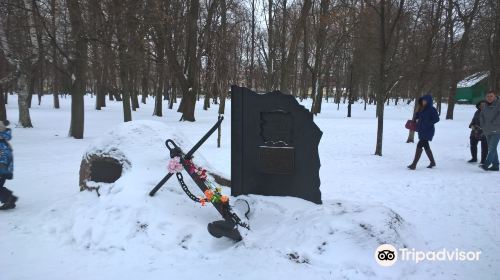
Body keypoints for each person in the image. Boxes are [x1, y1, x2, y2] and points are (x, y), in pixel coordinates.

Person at [408, 94, 440, 170]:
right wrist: (416, 116)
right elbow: (418, 117)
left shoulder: (432, 109)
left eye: (425, 101)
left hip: (428, 130)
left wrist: (428, 123)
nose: (423, 102)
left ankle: (414, 164)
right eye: (422, 101)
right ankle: (432, 162)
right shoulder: (422, 109)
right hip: (421, 130)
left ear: (429, 101)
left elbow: (437, 119)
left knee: (419, 145)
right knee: (426, 146)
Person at [480, 90, 500, 171]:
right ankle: (495, 166)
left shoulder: (498, 104)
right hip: (487, 130)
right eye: (488, 96)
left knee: (492, 148)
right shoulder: (484, 105)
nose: (489, 98)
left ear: (495, 96)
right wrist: (483, 124)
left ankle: (486, 164)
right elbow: (481, 115)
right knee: (492, 148)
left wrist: (493, 122)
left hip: (497, 130)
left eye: (491, 96)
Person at [0, 120, 17, 210]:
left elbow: (4, 158)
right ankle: (9, 199)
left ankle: (9, 198)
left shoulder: (2, 145)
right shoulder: (3, 143)